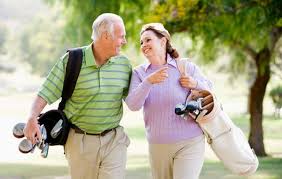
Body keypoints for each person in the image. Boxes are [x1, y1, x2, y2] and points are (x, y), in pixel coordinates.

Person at [24, 13, 132, 179]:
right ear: (105, 36)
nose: (124, 41)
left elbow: (136, 98)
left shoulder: (123, 64)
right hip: (80, 141)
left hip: (114, 140)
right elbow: (45, 92)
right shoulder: (72, 61)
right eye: (121, 36)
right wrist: (32, 118)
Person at [125, 23, 213, 179]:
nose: (144, 45)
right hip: (158, 146)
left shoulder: (185, 66)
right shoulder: (139, 73)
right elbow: (132, 105)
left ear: (163, 41)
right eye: (141, 42)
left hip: (190, 141)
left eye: (148, 40)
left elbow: (211, 92)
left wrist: (195, 84)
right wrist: (148, 82)